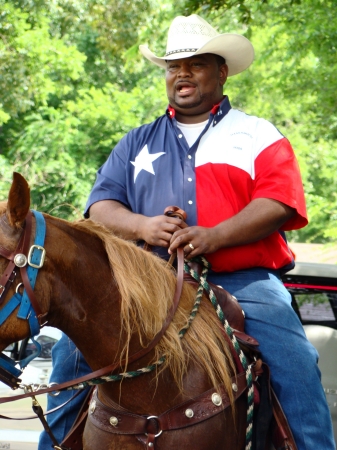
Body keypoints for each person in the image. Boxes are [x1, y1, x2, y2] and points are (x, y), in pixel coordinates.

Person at [39, 14, 335, 450]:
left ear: (222, 71)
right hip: (149, 282)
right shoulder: (135, 142)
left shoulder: (256, 134)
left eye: (195, 64)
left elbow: (279, 202)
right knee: (70, 354)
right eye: (173, 66)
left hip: (244, 281)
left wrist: (213, 236)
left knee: (296, 361)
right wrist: (145, 226)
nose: (182, 74)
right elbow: (100, 207)